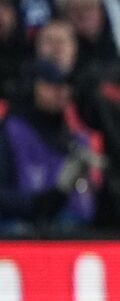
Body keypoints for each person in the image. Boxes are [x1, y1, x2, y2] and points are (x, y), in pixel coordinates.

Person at [0, 59, 97, 234]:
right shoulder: (8, 132)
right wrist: (40, 203)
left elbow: (85, 204)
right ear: (30, 87)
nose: (61, 92)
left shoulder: (74, 139)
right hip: (17, 228)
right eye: (50, 85)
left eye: (64, 86)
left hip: (68, 227)